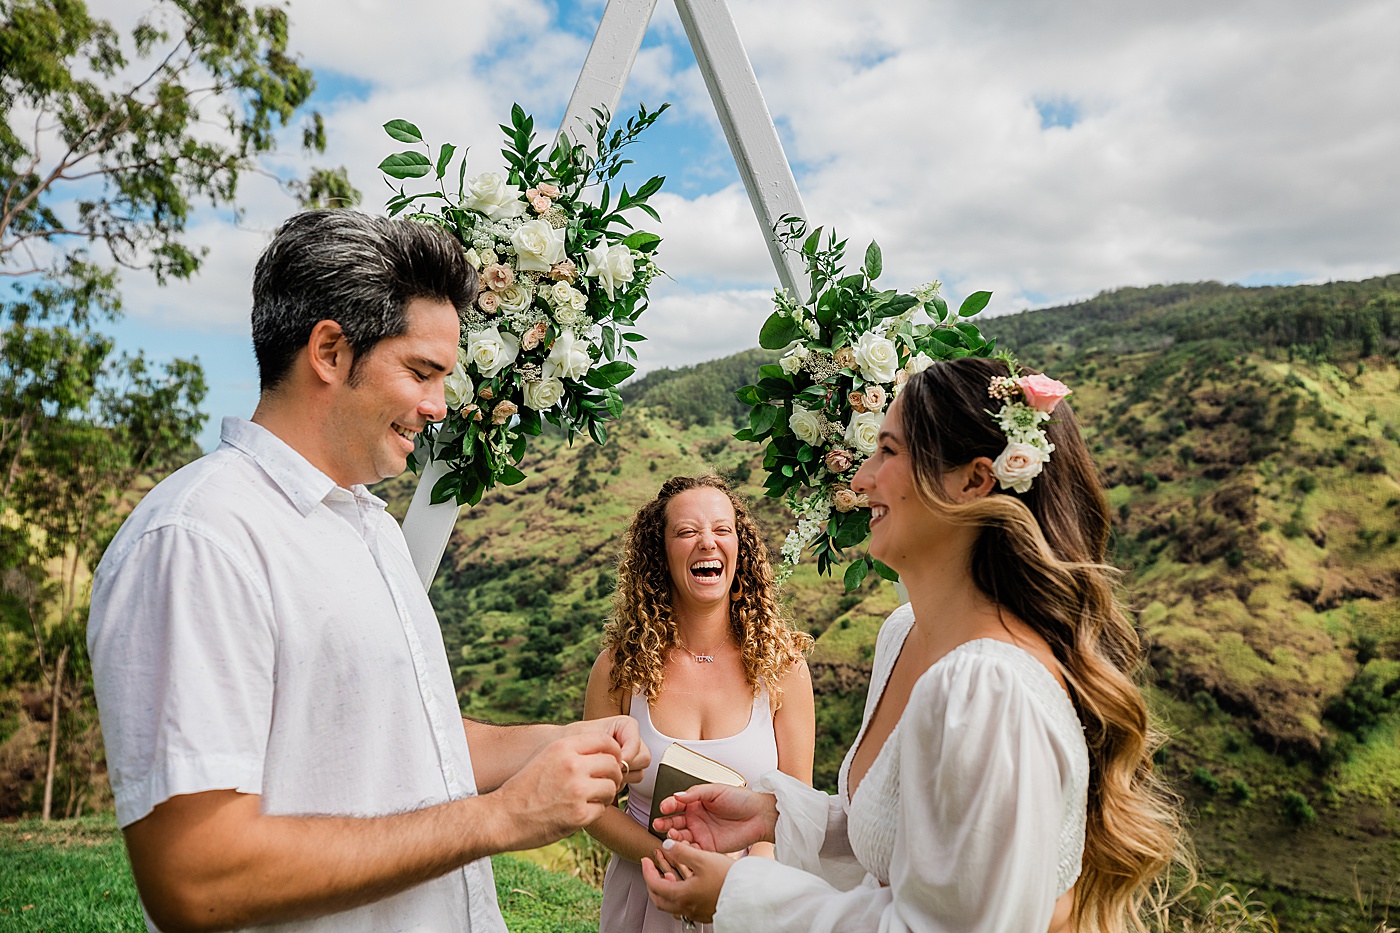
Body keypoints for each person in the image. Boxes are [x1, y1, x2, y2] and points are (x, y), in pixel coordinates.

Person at [87, 210, 648, 933]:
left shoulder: (371, 527)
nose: (438, 406)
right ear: (328, 349)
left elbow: (412, 738)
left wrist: (561, 741)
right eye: (420, 371)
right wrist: (501, 819)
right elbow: (198, 877)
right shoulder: (200, 538)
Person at [641, 357, 1182, 933]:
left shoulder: (990, 690)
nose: (861, 479)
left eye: (889, 452)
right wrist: (776, 816)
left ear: (973, 480)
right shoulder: (902, 635)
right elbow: (905, 837)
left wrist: (742, 898)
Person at [583, 475, 815, 933]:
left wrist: (743, 881)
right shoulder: (619, 668)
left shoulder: (783, 667)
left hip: (751, 895)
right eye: (687, 532)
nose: (707, 542)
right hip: (645, 892)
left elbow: (796, 803)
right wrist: (664, 858)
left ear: (740, 549)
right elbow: (592, 804)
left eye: (722, 530)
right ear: (660, 554)